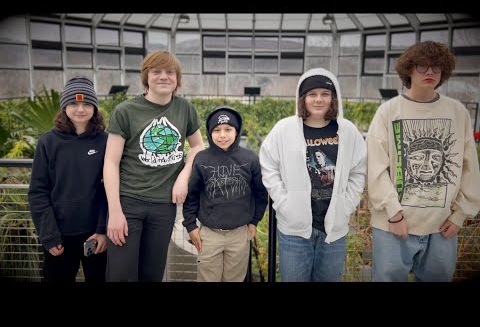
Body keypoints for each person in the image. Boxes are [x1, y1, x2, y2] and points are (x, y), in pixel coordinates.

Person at [367, 41, 480, 282]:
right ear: (409, 70)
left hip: (442, 228)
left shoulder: (457, 112)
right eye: (422, 66)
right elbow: (375, 168)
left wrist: (460, 215)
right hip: (393, 226)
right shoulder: (388, 112)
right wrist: (394, 215)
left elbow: (470, 168)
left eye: (436, 67)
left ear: (443, 72)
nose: (430, 72)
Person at [104, 50, 204, 282]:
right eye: (156, 71)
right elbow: (110, 161)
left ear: (177, 79)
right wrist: (115, 212)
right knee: (121, 274)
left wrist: (183, 176)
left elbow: (198, 146)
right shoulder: (126, 111)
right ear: (146, 77)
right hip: (128, 203)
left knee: (152, 273)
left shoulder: (184, 109)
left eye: (170, 72)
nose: (163, 77)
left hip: (163, 206)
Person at [259, 68, 367, 282]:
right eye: (312, 94)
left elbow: (358, 171)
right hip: (294, 231)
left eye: (325, 94)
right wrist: (284, 203)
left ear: (333, 98)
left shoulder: (347, 131)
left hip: (334, 230)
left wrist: (347, 205)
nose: (318, 100)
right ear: (303, 99)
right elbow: (268, 165)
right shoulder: (284, 129)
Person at [28, 76, 108, 282]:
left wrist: (102, 230)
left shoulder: (105, 141)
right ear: (65, 107)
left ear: (95, 108)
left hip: (95, 236)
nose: (80, 109)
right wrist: (49, 236)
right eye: (73, 103)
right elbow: (38, 192)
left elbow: (110, 190)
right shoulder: (48, 142)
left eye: (87, 103)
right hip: (60, 237)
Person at [182, 106, 268, 282]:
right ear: (210, 132)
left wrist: (254, 222)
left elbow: (260, 193)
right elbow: (192, 196)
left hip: (239, 233)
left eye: (228, 129)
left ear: (237, 131)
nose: (222, 135)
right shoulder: (202, 159)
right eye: (217, 130)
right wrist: (191, 226)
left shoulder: (250, 158)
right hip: (209, 234)